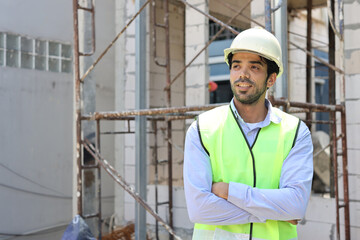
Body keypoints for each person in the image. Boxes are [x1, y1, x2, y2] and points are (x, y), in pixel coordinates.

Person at [183, 27, 313, 240]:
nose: (243, 74)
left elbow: (296, 206)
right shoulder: (202, 128)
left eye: (254, 67)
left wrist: (229, 192)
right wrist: (273, 212)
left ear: (271, 79)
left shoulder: (295, 132)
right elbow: (199, 210)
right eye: (236, 66)